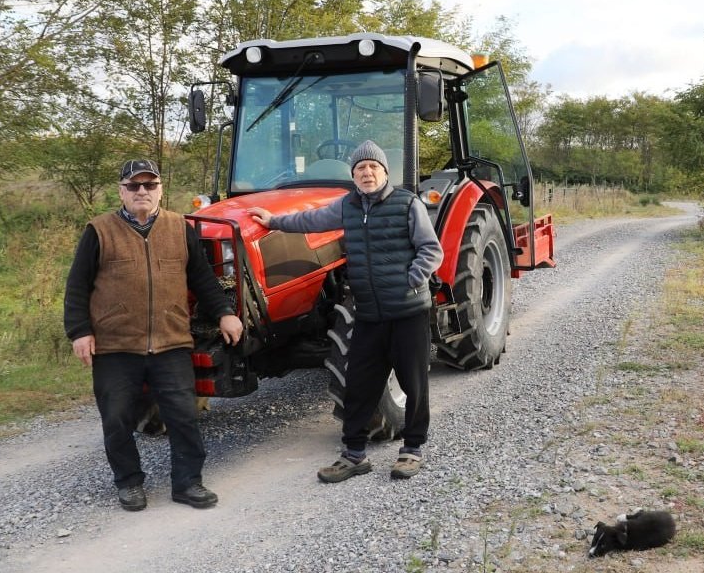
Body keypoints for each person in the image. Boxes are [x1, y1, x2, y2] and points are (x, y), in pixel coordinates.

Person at [247, 140, 443, 482]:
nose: (367, 173)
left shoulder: (406, 203)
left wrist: (412, 280)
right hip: (368, 312)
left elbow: (430, 249)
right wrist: (274, 221)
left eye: (373, 168)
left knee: (414, 383)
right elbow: (309, 219)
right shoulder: (347, 206)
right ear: (353, 175)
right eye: (360, 169)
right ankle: (354, 454)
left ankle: (412, 449)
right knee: (358, 384)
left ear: (384, 172)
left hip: (407, 311)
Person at [64, 159, 243, 511]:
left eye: (149, 185)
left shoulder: (179, 227)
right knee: (116, 418)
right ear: (121, 191)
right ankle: (129, 484)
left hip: (170, 341)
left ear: (161, 189)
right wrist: (80, 332)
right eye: (134, 186)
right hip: (116, 345)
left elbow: (203, 279)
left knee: (183, 416)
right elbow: (77, 287)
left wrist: (224, 313)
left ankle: (188, 483)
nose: (142, 192)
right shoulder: (99, 231)